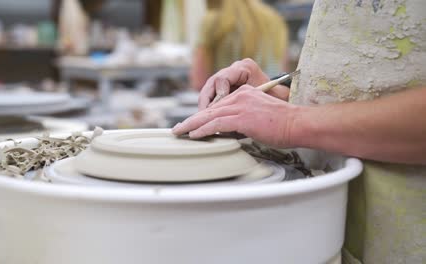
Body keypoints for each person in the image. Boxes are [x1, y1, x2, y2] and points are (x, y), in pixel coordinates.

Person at [173, 1, 425, 263]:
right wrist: (283, 97)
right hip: (332, 224)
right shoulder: (270, 18)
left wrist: (291, 122)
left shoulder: (213, 21)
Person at [190, 0, 288, 90]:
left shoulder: (213, 22)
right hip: (273, 100)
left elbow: (199, 82)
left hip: (233, 103)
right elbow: (282, 71)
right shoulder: (276, 20)